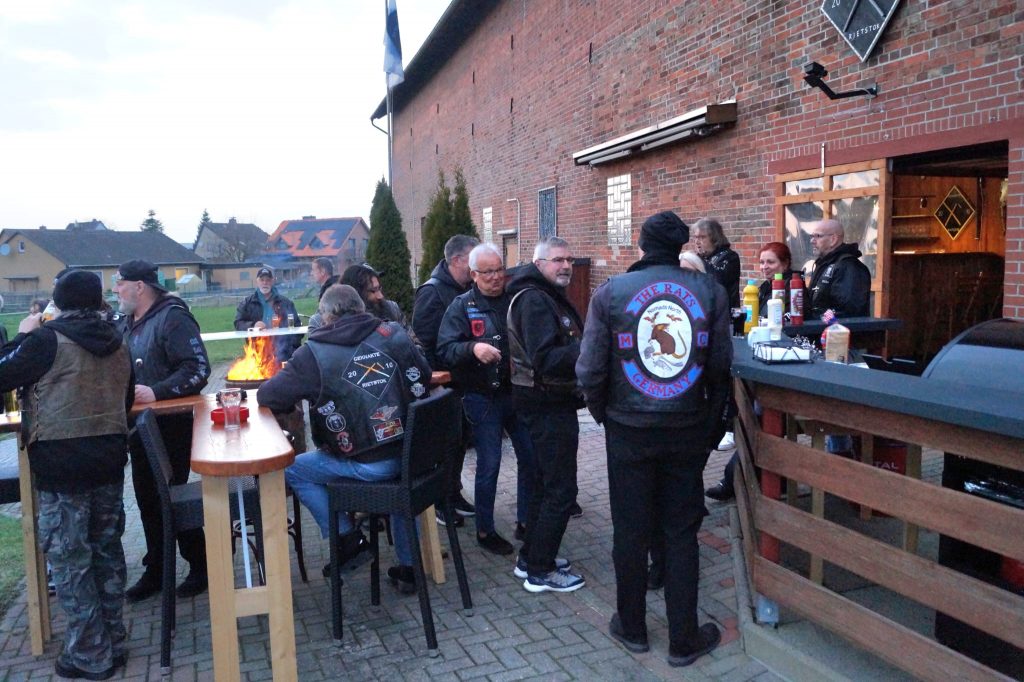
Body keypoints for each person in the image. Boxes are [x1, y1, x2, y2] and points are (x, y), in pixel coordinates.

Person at [577, 211, 732, 667]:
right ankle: (683, 638)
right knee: (681, 531)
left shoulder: (611, 293)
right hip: (685, 427)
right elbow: (720, 367)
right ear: (682, 246)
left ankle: (632, 626)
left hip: (629, 428)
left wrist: (604, 414)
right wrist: (709, 423)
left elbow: (590, 369)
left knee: (630, 529)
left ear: (642, 246)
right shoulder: (710, 291)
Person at [1, 271, 134, 679]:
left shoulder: (45, 340)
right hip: (110, 460)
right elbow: (127, 398)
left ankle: (90, 654)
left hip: (61, 466)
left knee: (70, 560)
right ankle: (113, 640)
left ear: (58, 302)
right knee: (106, 552)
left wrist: (21, 335)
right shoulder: (118, 340)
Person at [258, 284, 432, 593]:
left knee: (292, 468)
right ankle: (409, 569)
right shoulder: (393, 333)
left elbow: (268, 395)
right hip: (414, 455)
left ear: (325, 317)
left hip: (367, 461)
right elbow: (425, 375)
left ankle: (348, 538)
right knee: (399, 477)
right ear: (361, 308)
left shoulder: (312, 354)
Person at [115, 259, 212, 603]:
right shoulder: (128, 322)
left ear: (139, 286)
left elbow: (199, 369)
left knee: (170, 496)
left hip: (170, 425)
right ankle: (157, 568)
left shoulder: (173, 318)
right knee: (148, 499)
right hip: (139, 427)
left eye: (120, 283)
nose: (116, 289)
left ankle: (200, 566)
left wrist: (157, 391)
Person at [437, 244, 536, 555]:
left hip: (517, 393)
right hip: (482, 398)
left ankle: (526, 521)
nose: (496, 277)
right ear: (474, 274)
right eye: (488, 272)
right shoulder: (462, 307)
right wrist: (472, 348)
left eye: (499, 269)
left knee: (530, 457)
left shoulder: (515, 299)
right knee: (490, 464)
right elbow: (445, 349)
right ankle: (485, 530)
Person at [506, 236, 587, 593]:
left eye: (569, 259)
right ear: (538, 264)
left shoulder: (543, 294)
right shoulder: (535, 300)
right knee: (561, 489)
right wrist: (589, 348)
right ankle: (540, 570)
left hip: (547, 402)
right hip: (546, 404)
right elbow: (546, 358)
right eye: (557, 260)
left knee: (544, 483)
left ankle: (531, 557)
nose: (566, 265)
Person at [705, 242, 801, 503]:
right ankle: (749, 476)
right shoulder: (763, 288)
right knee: (753, 415)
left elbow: (789, 324)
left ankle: (735, 478)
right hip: (764, 360)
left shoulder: (793, 288)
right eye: (761, 262)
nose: (764, 267)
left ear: (785, 264)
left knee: (759, 419)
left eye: (771, 262)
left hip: (784, 366)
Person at [412, 234, 480, 523]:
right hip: (444, 383)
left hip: (465, 378)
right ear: (456, 260)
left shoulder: (468, 288)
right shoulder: (432, 292)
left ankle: (453, 491)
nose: (476, 266)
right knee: (446, 443)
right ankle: (440, 501)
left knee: (461, 440)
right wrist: (437, 381)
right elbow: (424, 341)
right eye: (473, 259)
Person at [691, 218, 740, 451]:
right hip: (703, 322)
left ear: (714, 237)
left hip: (724, 322)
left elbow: (716, 280)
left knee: (724, 374)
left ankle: (729, 426)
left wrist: (698, 262)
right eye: (695, 238)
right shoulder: (702, 258)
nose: (698, 242)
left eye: (702, 237)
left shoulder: (729, 258)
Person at [234, 266, 302, 362]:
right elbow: (238, 323)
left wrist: (288, 346)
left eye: (267, 280)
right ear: (257, 281)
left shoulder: (285, 303)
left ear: (272, 281)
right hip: (257, 352)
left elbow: (297, 327)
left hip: (282, 353)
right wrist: (253, 326)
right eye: (262, 280)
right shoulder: (247, 303)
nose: (265, 283)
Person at [806, 219, 872, 319]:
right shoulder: (824, 264)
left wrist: (821, 319)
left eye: (818, 236)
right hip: (820, 327)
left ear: (833, 239)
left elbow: (847, 312)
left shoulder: (849, 267)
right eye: (812, 236)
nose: (812, 241)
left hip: (838, 328)